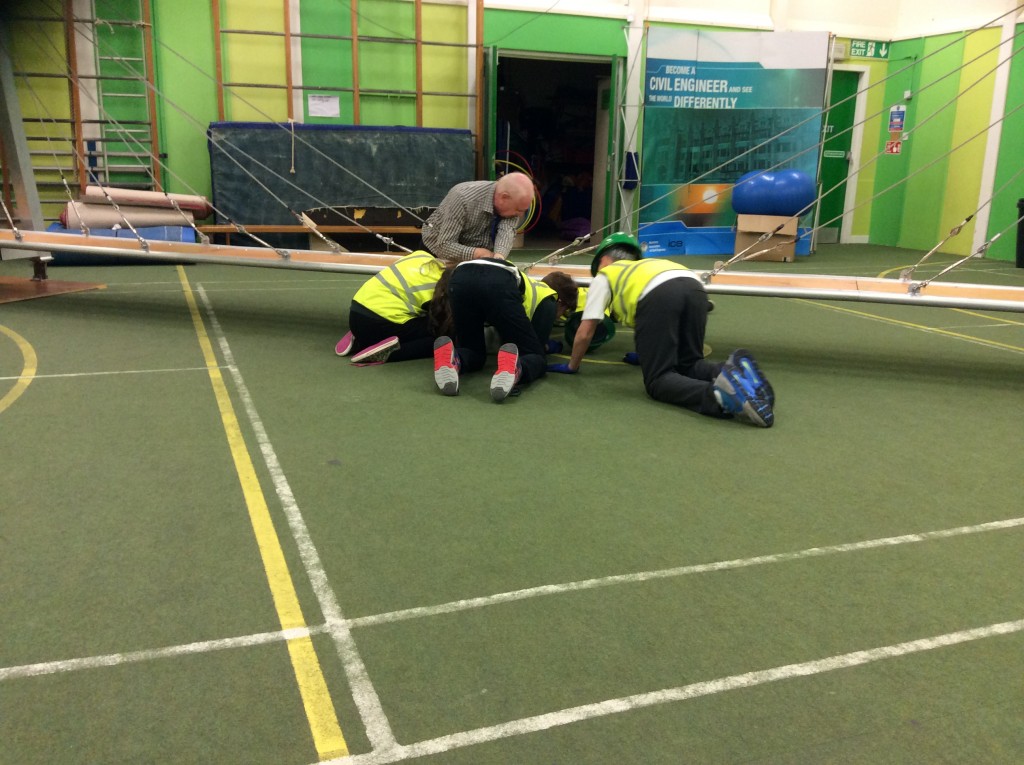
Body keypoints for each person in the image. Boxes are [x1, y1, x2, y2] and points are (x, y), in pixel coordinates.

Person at [546, 232, 776, 427]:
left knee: (658, 381)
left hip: (660, 295)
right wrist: (647, 354)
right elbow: (658, 328)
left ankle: (719, 397)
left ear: (603, 260)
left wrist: (572, 365)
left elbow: (586, 330)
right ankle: (734, 371)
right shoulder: (647, 266)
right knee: (689, 364)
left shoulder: (605, 276)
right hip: (694, 287)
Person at [431, 256, 548, 402]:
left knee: (472, 350)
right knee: (535, 355)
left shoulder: (466, 267)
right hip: (498, 283)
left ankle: (455, 358)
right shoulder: (543, 293)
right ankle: (517, 367)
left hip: (459, 279)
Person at [334, 250, 452, 364]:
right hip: (378, 324)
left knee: (411, 306)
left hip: (356, 312)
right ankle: (390, 353)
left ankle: (361, 339)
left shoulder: (420, 256)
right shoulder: (435, 291)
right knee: (441, 337)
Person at [422, 172, 535, 262]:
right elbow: (444, 245)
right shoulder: (463, 197)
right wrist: (478, 253)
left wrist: (498, 258)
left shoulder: (512, 205)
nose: (520, 215)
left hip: (478, 256)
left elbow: (506, 232)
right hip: (436, 253)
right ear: (504, 197)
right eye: (519, 210)